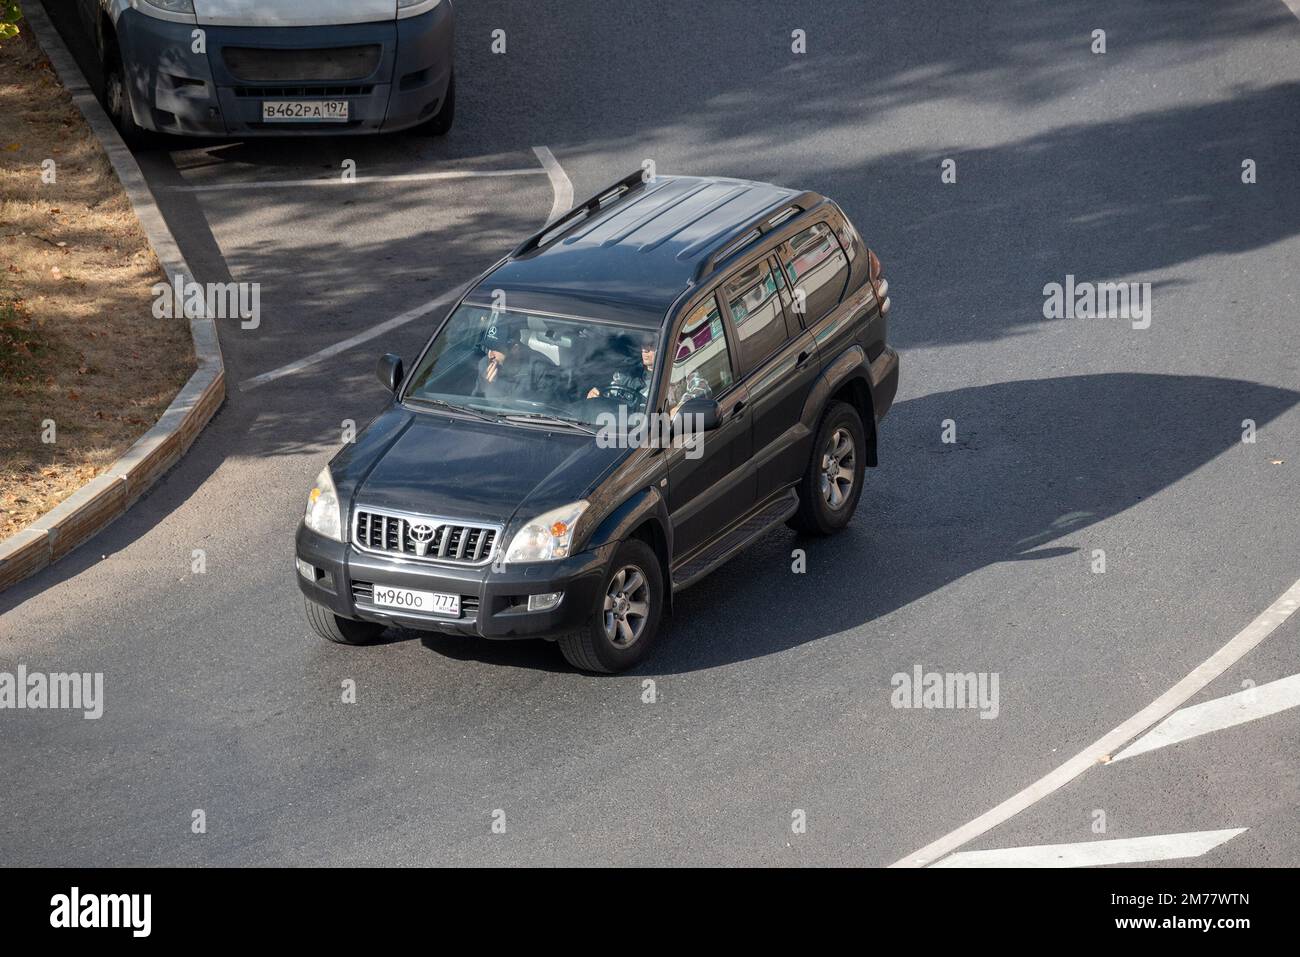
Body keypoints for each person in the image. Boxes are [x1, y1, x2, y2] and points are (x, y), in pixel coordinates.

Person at [586, 331, 656, 409]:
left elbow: (668, 411)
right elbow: (610, 391)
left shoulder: (667, 379)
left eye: (651, 345)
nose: (644, 350)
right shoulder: (628, 372)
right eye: (643, 344)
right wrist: (595, 395)